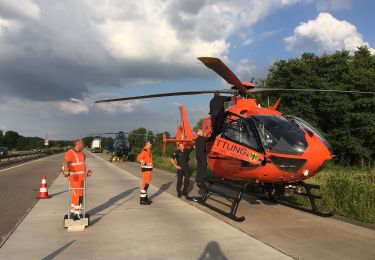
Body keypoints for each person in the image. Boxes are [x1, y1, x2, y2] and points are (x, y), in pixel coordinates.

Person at [62, 139, 91, 220]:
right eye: (82, 143)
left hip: (82, 178)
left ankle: (77, 212)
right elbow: (65, 163)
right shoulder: (70, 153)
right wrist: (67, 174)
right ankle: (75, 214)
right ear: (78, 144)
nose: (84, 145)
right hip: (74, 178)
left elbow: (82, 164)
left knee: (80, 195)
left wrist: (85, 174)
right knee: (76, 195)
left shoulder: (82, 153)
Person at [137, 141, 153, 205]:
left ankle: (145, 198)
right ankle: (142, 200)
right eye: (150, 143)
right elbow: (139, 158)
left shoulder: (148, 151)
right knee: (145, 184)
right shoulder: (145, 151)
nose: (151, 144)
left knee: (147, 184)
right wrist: (145, 163)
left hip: (148, 170)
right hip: (146, 170)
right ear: (146, 144)